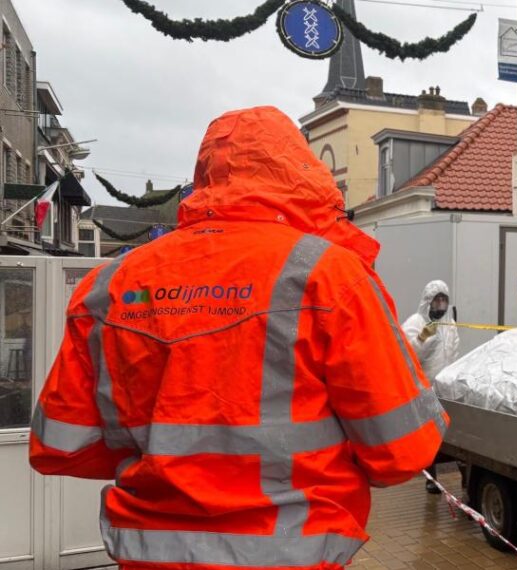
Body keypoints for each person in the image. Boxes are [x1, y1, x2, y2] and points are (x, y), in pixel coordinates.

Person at [29, 106, 447, 570]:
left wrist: (172, 468)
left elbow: (60, 447)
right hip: (291, 555)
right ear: (300, 171)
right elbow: (403, 452)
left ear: (204, 175)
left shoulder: (111, 285)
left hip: (148, 556)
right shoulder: (329, 277)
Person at [401, 280, 459, 494]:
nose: (441, 304)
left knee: (449, 434)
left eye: (444, 300)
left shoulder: (449, 324)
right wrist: (424, 338)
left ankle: (458, 479)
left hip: (445, 388)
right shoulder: (415, 323)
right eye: (437, 300)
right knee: (430, 436)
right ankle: (432, 478)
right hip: (424, 388)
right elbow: (408, 356)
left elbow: (453, 352)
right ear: (429, 301)